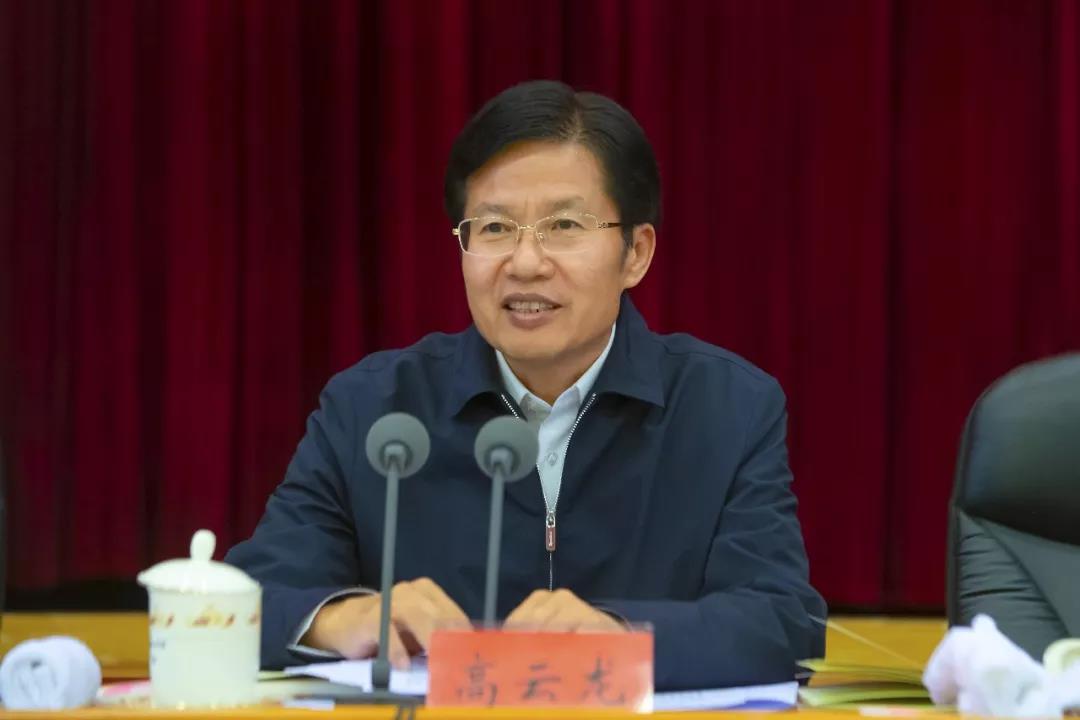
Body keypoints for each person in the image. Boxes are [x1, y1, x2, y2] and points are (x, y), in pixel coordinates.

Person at [225, 80, 826, 690]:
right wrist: (340, 619)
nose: (526, 262)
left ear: (635, 253)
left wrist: (620, 638)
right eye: (494, 228)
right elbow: (242, 601)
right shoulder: (373, 408)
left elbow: (783, 619)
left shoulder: (726, 408)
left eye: (564, 225)